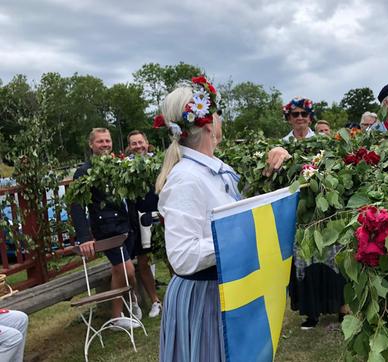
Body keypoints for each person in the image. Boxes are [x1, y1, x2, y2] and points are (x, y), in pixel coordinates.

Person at [154, 76, 290, 361]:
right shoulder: (186, 179)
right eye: (217, 113)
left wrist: (272, 168)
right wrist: (240, 237)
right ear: (206, 122)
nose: (220, 119)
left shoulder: (214, 169)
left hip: (226, 289)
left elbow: (234, 209)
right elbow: (182, 255)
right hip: (204, 298)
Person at [70, 128, 142, 330]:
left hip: (126, 226)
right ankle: (117, 317)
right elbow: (77, 205)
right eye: (100, 141)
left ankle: (132, 301)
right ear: (91, 145)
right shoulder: (83, 171)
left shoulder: (117, 165)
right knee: (125, 269)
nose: (105, 144)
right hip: (107, 230)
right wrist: (84, 237)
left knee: (126, 272)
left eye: (108, 141)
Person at [126, 130, 163, 318]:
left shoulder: (159, 162)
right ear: (129, 147)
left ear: (147, 143)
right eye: (134, 143)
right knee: (143, 260)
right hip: (140, 218)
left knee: (171, 254)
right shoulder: (125, 167)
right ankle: (155, 300)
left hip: (162, 213)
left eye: (140, 142)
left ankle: (178, 295)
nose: (138, 146)